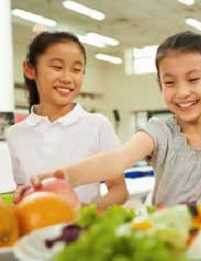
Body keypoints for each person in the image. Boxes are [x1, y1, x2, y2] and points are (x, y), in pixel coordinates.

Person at [16, 31, 201, 206]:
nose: (182, 92)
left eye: (193, 79)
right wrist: (64, 176)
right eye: (169, 82)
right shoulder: (159, 131)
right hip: (171, 244)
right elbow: (116, 160)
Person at [7, 31, 128, 210]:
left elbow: (119, 190)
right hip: (36, 231)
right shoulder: (15, 134)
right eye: (57, 67)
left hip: (83, 233)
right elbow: (21, 190)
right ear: (30, 70)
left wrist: (86, 213)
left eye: (77, 70)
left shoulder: (97, 125)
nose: (67, 78)